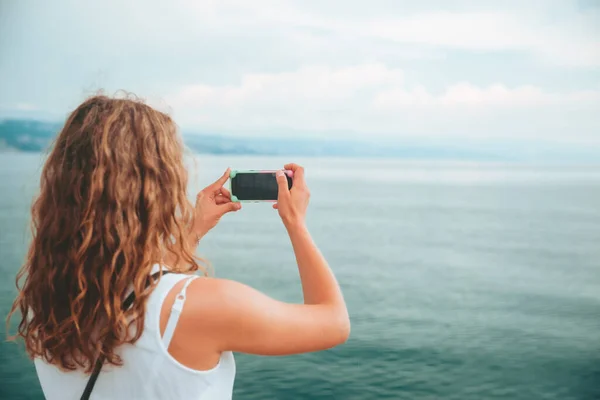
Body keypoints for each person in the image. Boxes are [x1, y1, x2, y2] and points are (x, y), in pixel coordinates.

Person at [7, 95, 350, 399]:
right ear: (158, 187)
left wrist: (192, 230)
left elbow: (137, 293)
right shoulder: (206, 306)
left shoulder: (48, 297)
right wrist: (297, 223)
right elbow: (333, 322)